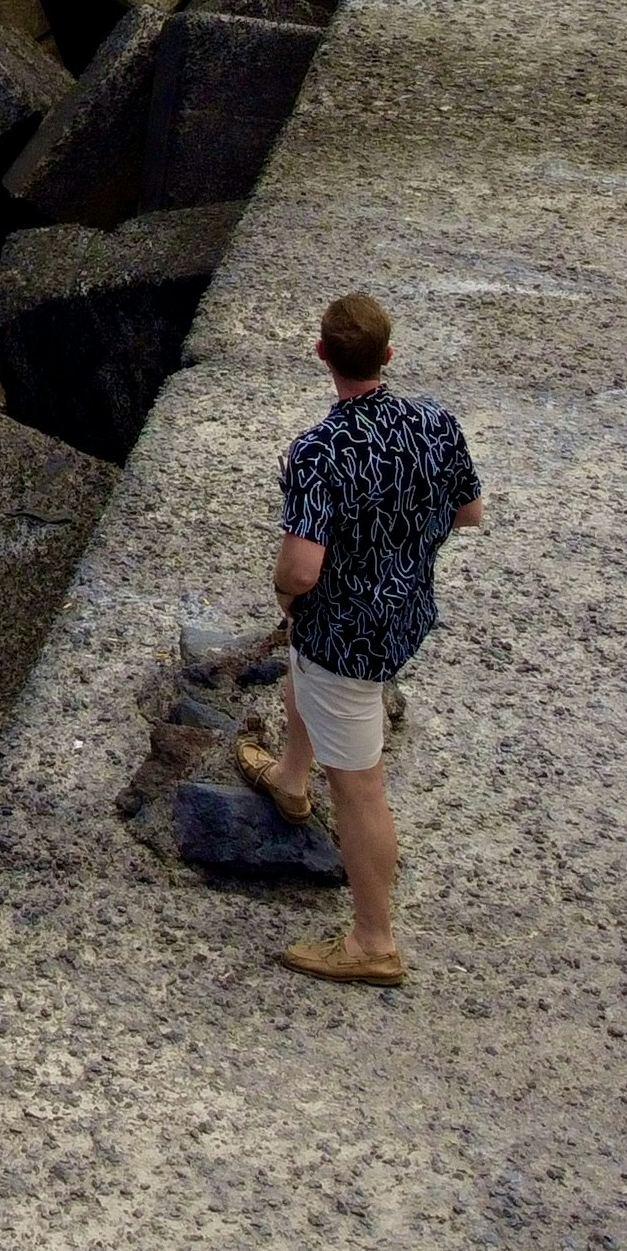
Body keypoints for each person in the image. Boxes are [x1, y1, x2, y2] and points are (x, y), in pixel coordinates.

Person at [237, 289, 482, 987]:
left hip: (348, 635)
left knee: (361, 785)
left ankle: (374, 940)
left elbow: (302, 568)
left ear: (322, 355)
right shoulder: (434, 422)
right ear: (389, 355)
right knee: (303, 671)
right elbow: (468, 513)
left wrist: (285, 590)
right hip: (405, 614)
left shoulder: (319, 452)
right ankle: (289, 777)